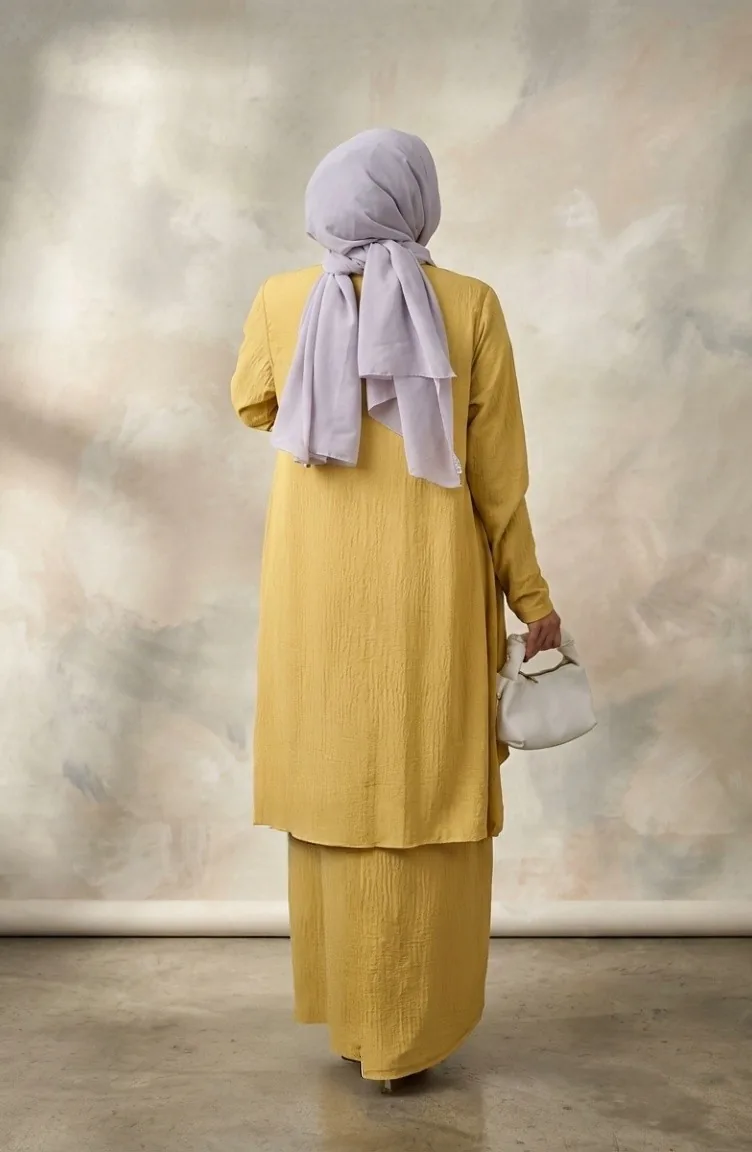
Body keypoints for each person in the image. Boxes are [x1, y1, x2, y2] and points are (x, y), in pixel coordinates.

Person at [230, 128, 560, 1091]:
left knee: (338, 782)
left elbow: (253, 404)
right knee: (422, 784)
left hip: (315, 592)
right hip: (429, 594)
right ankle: (408, 1031)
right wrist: (531, 598)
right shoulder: (471, 305)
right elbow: (499, 479)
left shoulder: (281, 299)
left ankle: (354, 1019)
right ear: (419, 200)